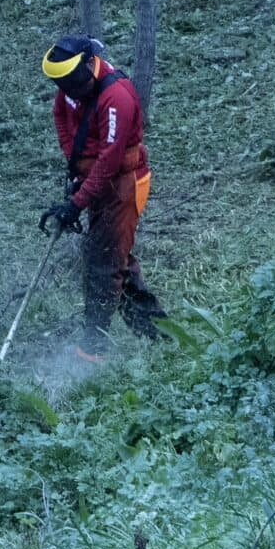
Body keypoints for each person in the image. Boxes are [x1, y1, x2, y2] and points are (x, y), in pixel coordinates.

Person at [38, 36, 166, 359]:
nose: (67, 90)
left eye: (70, 83)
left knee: (102, 265)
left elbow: (109, 162)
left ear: (86, 65)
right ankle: (158, 332)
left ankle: (92, 349)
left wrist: (76, 203)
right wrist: (76, 164)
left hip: (123, 185)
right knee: (113, 258)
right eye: (61, 84)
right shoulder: (69, 90)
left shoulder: (116, 98)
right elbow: (61, 118)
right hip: (95, 182)